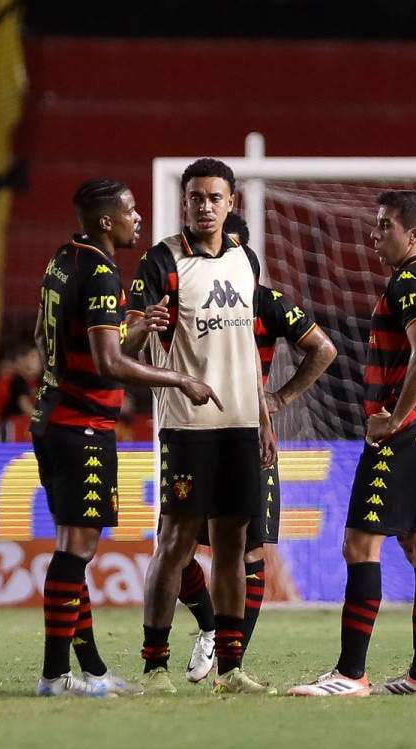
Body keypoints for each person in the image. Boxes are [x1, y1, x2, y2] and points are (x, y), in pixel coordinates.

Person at [290, 190, 416, 697]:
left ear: (415, 236)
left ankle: (350, 674)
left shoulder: (408, 283)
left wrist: (397, 418)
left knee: (360, 546)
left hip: (401, 435)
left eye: (384, 226)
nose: (374, 236)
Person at [30, 178, 221, 698]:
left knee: (75, 546)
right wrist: (179, 378)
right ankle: (54, 676)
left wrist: (138, 329)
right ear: (106, 222)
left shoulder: (61, 260)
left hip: (52, 417)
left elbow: (64, 336)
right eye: (131, 212)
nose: (139, 219)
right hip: (81, 425)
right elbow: (109, 363)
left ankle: (88, 671)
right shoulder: (98, 270)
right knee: (75, 551)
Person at [128, 158, 276, 695]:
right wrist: (142, 326)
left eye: (215, 197)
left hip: (240, 423)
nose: (205, 206)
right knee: (175, 542)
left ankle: (232, 668)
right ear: (183, 202)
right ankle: (154, 668)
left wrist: (263, 416)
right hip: (187, 426)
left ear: (231, 203)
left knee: (234, 545)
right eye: (195, 198)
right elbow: (120, 348)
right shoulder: (161, 261)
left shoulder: (245, 260)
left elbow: (249, 352)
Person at [177, 212, 337, 683]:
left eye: (230, 247)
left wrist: (279, 397)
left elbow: (323, 349)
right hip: (192, 434)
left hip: (248, 437)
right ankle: (209, 627)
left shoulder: (266, 303)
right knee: (176, 545)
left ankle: (233, 661)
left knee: (251, 552)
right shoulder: (190, 299)